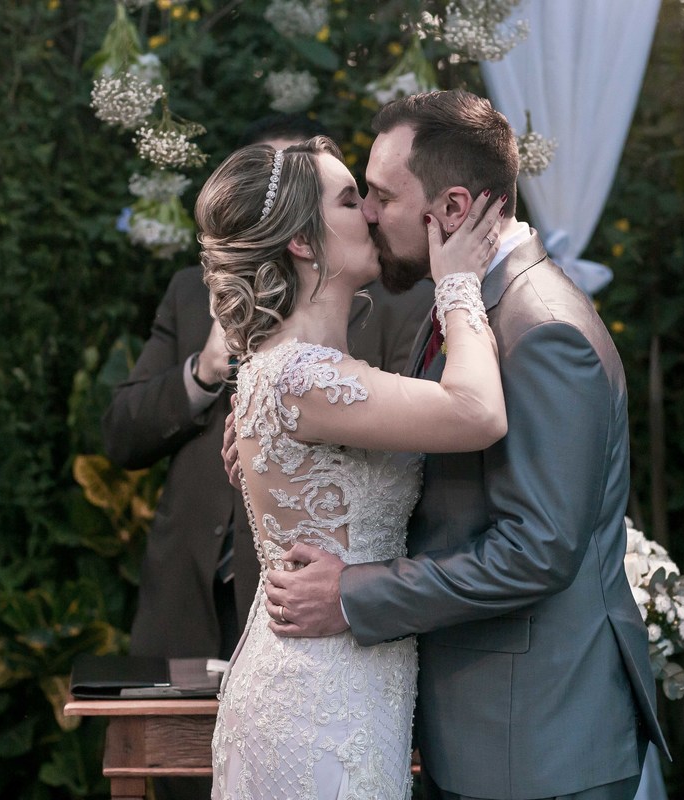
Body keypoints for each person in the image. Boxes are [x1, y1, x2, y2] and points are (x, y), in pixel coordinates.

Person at [253, 90, 668, 800]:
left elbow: (536, 550)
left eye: (383, 195)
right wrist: (287, 445)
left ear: (451, 207)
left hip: (535, 743)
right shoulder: (465, 301)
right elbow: (436, 472)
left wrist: (353, 594)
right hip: (481, 731)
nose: (370, 213)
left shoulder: (542, 330)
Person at [101, 115, 432, 800]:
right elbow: (122, 432)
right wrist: (210, 372)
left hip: (324, 610)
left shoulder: (390, 297)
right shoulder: (192, 294)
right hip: (190, 612)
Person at [198, 133, 507, 798]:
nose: (370, 211)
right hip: (314, 706)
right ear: (301, 241)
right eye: (348, 200)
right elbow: (478, 412)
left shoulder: (297, 375)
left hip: (351, 688)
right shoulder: (301, 376)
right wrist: (459, 283)